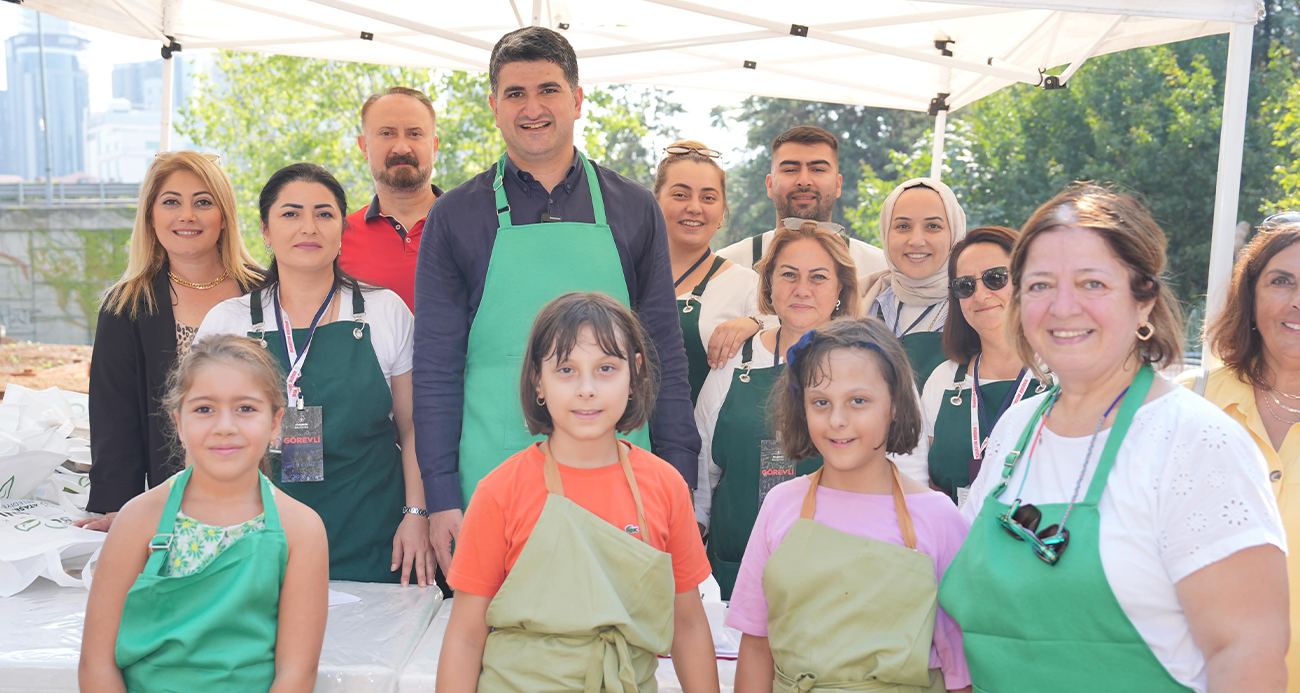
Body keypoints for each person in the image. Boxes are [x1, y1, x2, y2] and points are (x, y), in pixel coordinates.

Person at [939, 185, 1288, 692]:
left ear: (1143, 299)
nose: (1062, 307)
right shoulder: (1017, 429)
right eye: (1039, 285)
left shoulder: (1198, 442)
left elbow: (1246, 654)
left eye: (1092, 283)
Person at [413, 26, 699, 578]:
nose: (532, 108)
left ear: (577, 99)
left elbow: (663, 350)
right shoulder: (454, 216)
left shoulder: (636, 208)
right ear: (494, 106)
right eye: (515, 94)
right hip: (491, 475)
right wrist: (441, 495)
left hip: (621, 477)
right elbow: (436, 367)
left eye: (548, 90)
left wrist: (678, 470)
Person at [437, 292, 717, 693]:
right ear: (538, 379)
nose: (587, 389)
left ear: (635, 374)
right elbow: (465, 636)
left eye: (606, 368)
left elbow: (688, 627)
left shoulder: (665, 485)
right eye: (566, 370)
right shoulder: (500, 491)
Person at [197, 163, 432, 585]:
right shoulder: (227, 322)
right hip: (259, 539)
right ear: (266, 231)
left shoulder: (385, 310)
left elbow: (414, 427)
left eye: (324, 214)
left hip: (375, 535)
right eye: (290, 214)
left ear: (343, 229)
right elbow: (204, 437)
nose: (309, 227)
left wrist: (416, 515)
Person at [729, 318, 970, 693]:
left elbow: (960, 670)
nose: (837, 420)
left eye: (859, 401)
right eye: (820, 403)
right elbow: (757, 645)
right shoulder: (780, 505)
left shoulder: (938, 517)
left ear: (895, 405)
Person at [80, 334, 328, 693]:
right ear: (178, 423)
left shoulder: (301, 529)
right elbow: (96, 664)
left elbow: (296, 673)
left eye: (245, 408)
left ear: (276, 424)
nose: (224, 426)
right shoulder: (139, 519)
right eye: (204, 409)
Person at [81, 151, 262, 532]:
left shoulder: (268, 291)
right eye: (171, 202)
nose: (187, 216)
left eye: (203, 202)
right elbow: (115, 420)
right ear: (150, 216)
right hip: (177, 509)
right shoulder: (125, 306)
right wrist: (118, 510)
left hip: (271, 497)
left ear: (225, 215)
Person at [694, 221, 858, 598]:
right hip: (733, 579)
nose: (802, 290)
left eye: (818, 277)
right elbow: (702, 474)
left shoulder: (864, 368)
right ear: (768, 283)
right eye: (788, 275)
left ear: (840, 289)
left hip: (832, 584)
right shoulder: (735, 363)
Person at [1181, 216, 1300, 690]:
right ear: (1249, 297)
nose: (1297, 300)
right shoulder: (1185, 404)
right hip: (1197, 675)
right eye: (1281, 281)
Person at [710, 125, 888, 367]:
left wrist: (759, 321)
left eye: (817, 169)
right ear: (770, 184)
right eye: (791, 169)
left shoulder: (879, 266)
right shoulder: (729, 264)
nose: (804, 180)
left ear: (838, 185)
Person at [920, 226, 1047, 506]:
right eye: (966, 285)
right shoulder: (942, 380)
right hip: (957, 545)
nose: (980, 295)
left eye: (995, 279)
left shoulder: (1066, 377)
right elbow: (925, 483)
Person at [653, 139, 758, 404]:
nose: (695, 207)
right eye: (680, 194)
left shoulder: (745, 285)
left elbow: (785, 338)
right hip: (624, 440)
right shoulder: (625, 275)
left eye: (708, 198)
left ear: (722, 212)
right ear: (654, 202)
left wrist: (755, 323)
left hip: (704, 443)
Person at [340, 87, 444, 312]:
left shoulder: (473, 225)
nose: (401, 148)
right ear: (364, 147)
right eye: (387, 133)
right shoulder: (336, 238)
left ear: (434, 146)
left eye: (414, 134)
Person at [861, 178, 968, 388]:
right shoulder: (863, 302)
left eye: (933, 226)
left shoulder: (975, 305)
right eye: (903, 226)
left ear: (954, 233)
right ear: (885, 232)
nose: (917, 240)